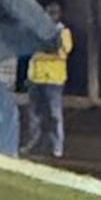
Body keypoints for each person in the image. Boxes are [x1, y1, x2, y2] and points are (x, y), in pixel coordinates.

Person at [20, 18, 71, 159]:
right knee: (34, 115)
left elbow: (62, 53)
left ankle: (57, 146)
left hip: (53, 80)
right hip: (36, 79)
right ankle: (33, 143)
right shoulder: (37, 31)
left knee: (54, 115)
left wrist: (40, 55)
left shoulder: (62, 32)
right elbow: (31, 52)